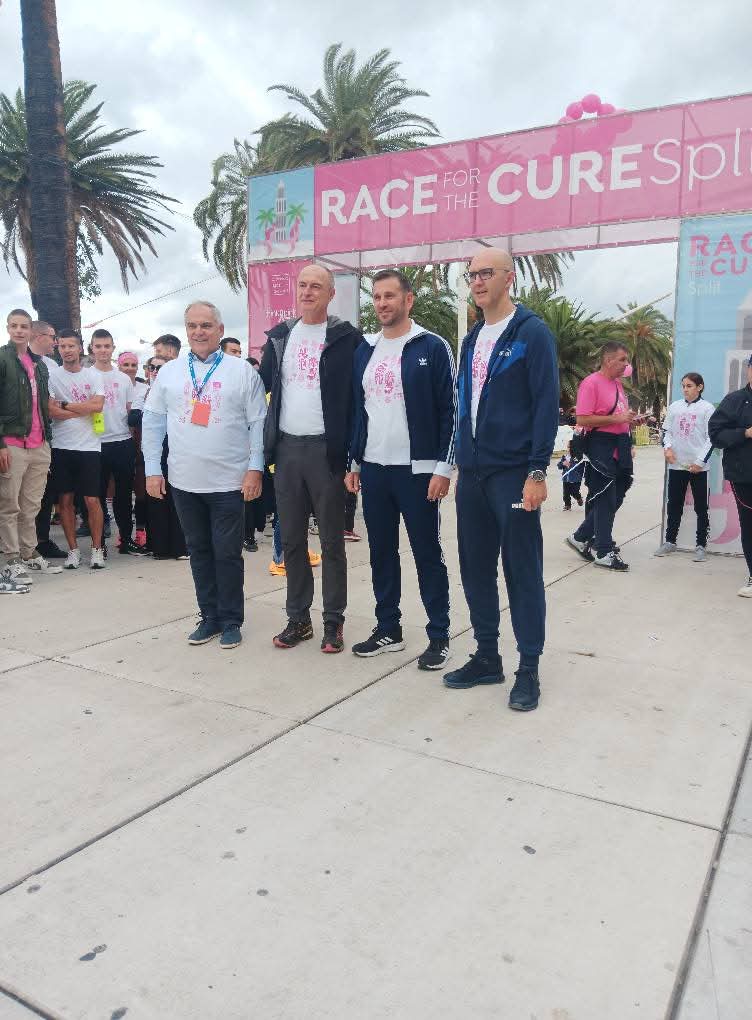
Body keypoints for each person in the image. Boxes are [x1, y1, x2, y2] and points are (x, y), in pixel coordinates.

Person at [443, 248, 559, 713]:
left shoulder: (531, 333)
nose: (477, 281)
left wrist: (537, 470)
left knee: (521, 570)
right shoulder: (472, 338)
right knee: (475, 568)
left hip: (513, 474)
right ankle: (487, 656)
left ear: (508, 278)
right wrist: (457, 462)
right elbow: (464, 406)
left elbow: (546, 404)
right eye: (471, 274)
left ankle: (528, 667)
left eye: (486, 273)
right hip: (473, 473)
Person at [345, 269, 456, 670]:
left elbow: (451, 410)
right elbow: (360, 411)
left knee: (427, 552)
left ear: (408, 300)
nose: (382, 303)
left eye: (390, 296)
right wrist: (354, 461)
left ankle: (439, 634)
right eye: (377, 297)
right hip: (375, 469)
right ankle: (388, 628)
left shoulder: (431, 346)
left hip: (418, 472)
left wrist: (443, 468)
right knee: (381, 552)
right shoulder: (366, 349)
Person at [142, 300, 267, 648]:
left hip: (229, 481)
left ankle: (231, 620)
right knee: (198, 551)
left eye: (206, 325)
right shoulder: (170, 372)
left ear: (220, 330)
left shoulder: (242, 372)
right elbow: (153, 422)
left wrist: (255, 468)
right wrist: (153, 469)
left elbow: (258, 422)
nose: (199, 332)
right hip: (184, 481)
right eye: (192, 326)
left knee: (227, 553)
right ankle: (209, 616)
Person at [260, 264, 362, 654]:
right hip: (287, 451)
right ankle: (298, 619)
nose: (307, 291)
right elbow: (258, 390)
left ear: (331, 294)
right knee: (292, 541)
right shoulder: (280, 337)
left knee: (333, 542)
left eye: (316, 286)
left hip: (327, 453)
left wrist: (354, 457)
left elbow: (360, 399)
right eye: (302, 285)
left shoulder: (347, 339)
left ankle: (333, 621)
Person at [0, 308, 63, 583]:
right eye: (14, 325)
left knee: (31, 505)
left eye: (23, 326)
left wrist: (47, 441)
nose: (18, 330)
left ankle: (29, 553)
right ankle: (11, 559)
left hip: (40, 444)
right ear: (7, 328)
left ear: (30, 331)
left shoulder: (40, 364)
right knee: (9, 505)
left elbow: (44, 405)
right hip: (12, 442)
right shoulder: (3, 358)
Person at [565, 342, 636, 571]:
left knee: (619, 493)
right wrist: (617, 419)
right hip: (601, 446)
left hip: (620, 446)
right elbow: (583, 419)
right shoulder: (591, 383)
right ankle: (603, 550)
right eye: (622, 359)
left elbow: (619, 415)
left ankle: (580, 536)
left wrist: (629, 424)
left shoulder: (618, 384)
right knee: (605, 497)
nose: (626, 364)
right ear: (608, 360)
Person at [47, 329, 106, 569]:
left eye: (71, 346)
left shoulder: (93, 375)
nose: (67, 350)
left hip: (90, 447)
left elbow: (98, 406)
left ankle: (97, 550)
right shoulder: (52, 376)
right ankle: (73, 551)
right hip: (61, 446)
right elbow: (51, 410)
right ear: (58, 348)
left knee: (92, 499)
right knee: (65, 501)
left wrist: (65, 404)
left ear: (80, 348)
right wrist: (82, 408)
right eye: (62, 346)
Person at [89, 329, 143, 556]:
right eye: (98, 346)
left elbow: (129, 410)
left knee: (123, 495)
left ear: (112, 348)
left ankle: (126, 539)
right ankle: (99, 543)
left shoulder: (123, 378)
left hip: (122, 442)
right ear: (92, 348)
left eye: (107, 346)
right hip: (95, 444)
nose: (103, 350)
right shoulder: (86, 375)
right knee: (97, 496)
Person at [130, 357, 187, 560]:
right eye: (151, 367)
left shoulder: (177, 389)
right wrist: (150, 407)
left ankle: (179, 547)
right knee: (155, 496)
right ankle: (158, 547)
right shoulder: (143, 392)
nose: (155, 370)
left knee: (176, 496)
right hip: (152, 449)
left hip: (176, 447)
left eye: (159, 367)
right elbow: (133, 418)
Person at [655, 372, 714, 562]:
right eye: (683, 386)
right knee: (674, 505)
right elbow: (666, 431)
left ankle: (701, 545)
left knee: (701, 507)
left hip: (698, 468)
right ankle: (670, 541)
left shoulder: (707, 408)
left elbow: (711, 438)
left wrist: (700, 462)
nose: (685, 389)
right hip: (677, 466)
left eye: (689, 386)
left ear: (700, 387)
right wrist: (667, 448)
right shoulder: (675, 407)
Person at [708, 353, 752, 597]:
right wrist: (745, 433)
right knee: (750, 525)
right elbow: (716, 435)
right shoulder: (734, 400)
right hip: (744, 476)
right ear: (749, 369)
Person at [29, 322, 65, 559]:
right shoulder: (12, 360)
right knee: (16, 496)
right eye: (52, 337)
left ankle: (41, 541)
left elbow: (54, 403)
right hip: (16, 440)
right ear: (38, 336)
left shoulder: (50, 366)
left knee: (45, 493)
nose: (56, 342)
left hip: (45, 439)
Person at [118, 350, 148, 546]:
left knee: (141, 489)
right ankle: (123, 532)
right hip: (119, 441)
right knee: (122, 491)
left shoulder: (144, 388)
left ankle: (141, 529)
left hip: (140, 442)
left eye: (133, 365)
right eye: (125, 364)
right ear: (119, 366)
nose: (129, 368)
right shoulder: (114, 385)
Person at [557, 441, 584, 510]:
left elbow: (580, 466)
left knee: (574, 492)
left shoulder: (578, 457)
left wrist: (570, 464)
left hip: (576, 479)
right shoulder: (565, 456)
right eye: (568, 447)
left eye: (570, 447)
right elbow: (559, 466)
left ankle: (578, 498)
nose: (568, 449)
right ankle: (567, 505)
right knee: (566, 493)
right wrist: (562, 464)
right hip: (566, 479)